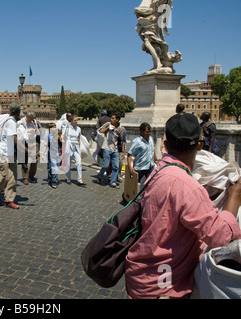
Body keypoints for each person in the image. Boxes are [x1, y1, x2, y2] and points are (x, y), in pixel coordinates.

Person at [125, 112, 241, 299]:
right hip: (163, 284)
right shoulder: (187, 186)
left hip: (142, 274)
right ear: (199, 144)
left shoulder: (159, 170)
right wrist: (234, 196)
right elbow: (220, 235)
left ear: (165, 143)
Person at [0, 103, 22, 210]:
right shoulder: (11, 122)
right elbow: (14, 138)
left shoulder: (11, 121)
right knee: (3, 177)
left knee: (13, 177)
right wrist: (26, 150)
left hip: (10, 154)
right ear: (18, 112)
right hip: (2, 153)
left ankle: (9, 200)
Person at [127, 122, 158, 188]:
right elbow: (129, 154)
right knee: (135, 187)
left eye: (149, 132)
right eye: (147, 132)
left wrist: (156, 160)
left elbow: (153, 150)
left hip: (150, 167)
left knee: (149, 185)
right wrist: (130, 168)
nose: (149, 134)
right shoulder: (137, 141)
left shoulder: (151, 139)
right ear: (141, 131)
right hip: (140, 168)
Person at [96, 113, 122, 188]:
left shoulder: (120, 127)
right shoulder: (107, 124)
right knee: (105, 165)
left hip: (115, 149)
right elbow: (100, 131)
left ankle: (113, 182)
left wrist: (122, 151)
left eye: (113, 118)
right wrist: (107, 128)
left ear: (117, 120)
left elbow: (122, 139)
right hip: (107, 148)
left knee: (116, 166)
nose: (111, 119)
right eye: (111, 118)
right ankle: (100, 176)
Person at [19, 111, 41, 185]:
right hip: (24, 142)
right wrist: (28, 131)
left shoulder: (34, 122)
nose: (32, 120)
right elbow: (20, 132)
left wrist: (36, 131)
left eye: (33, 118)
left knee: (35, 159)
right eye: (31, 118)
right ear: (27, 116)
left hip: (33, 142)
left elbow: (38, 131)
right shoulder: (21, 122)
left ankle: (31, 175)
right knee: (24, 161)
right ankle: (25, 177)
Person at [64, 115, 84, 186]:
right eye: (75, 120)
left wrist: (79, 147)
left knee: (79, 163)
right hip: (69, 145)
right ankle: (68, 178)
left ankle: (80, 179)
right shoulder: (66, 128)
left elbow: (79, 138)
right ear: (71, 120)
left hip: (76, 146)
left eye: (77, 120)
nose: (76, 122)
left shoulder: (78, 129)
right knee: (68, 163)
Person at [43, 123, 62, 189]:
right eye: (53, 128)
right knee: (51, 167)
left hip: (58, 154)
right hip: (50, 153)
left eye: (55, 128)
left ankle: (53, 178)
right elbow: (46, 144)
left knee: (56, 168)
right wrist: (43, 153)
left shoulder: (58, 135)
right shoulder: (48, 135)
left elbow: (62, 144)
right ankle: (53, 179)